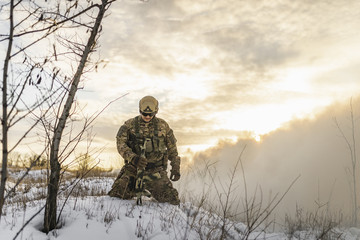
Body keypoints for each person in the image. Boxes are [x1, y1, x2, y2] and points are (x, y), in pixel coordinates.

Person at [108, 96, 181, 205]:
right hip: (133, 170)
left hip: (155, 172)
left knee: (171, 200)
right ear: (139, 110)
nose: (147, 116)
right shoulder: (129, 125)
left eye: (150, 114)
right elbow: (120, 144)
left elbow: (172, 149)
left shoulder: (163, 126)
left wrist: (175, 167)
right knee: (116, 196)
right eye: (144, 113)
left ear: (156, 111)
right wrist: (133, 158)